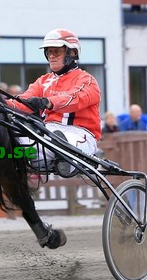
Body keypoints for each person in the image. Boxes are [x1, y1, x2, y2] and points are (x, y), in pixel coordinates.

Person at [6, 29, 101, 177]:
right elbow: (23, 101)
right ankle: (48, 159)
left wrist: (48, 102)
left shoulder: (86, 80)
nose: (51, 56)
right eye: (49, 52)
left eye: (56, 52)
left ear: (72, 53)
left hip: (80, 134)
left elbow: (74, 98)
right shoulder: (43, 81)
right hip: (47, 134)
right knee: (12, 138)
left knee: (63, 142)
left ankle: (67, 159)